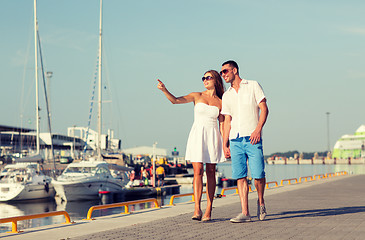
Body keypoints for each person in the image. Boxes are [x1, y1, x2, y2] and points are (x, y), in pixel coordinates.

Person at [157, 70, 226, 222]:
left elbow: (222, 125)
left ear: (216, 80)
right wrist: (164, 90)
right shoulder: (197, 95)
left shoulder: (221, 102)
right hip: (197, 135)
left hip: (213, 136)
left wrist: (225, 144)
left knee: (211, 171)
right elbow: (175, 100)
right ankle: (197, 209)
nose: (205, 80)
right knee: (198, 170)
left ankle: (208, 209)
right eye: (203, 78)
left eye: (208, 77)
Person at [220, 60, 269, 223]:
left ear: (235, 70)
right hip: (235, 139)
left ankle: (261, 202)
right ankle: (245, 212)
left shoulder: (253, 85)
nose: (223, 75)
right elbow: (227, 120)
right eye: (222, 73)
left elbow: (264, 108)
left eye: (225, 71)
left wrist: (258, 129)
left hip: (253, 137)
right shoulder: (226, 95)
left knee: (258, 175)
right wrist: (224, 143)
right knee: (240, 176)